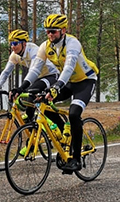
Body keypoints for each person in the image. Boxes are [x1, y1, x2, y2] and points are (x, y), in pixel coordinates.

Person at [16, 14, 98, 173]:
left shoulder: (73, 43)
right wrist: (22, 87)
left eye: (53, 31)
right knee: (42, 102)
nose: (50, 34)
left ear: (63, 30)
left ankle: (76, 158)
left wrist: (57, 87)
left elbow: (69, 67)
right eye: (47, 31)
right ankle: (62, 130)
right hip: (68, 82)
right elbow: (35, 69)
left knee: (74, 114)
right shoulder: (45, 46)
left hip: (85, 81)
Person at [0, 29, 60, 122]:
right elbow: (6, 72)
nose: (13, 46)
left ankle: (60, 125)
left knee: (31, 94)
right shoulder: (14, 55)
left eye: (15, 43)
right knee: (35, 104)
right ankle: (33, 126)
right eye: (11, 43)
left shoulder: (34, 51)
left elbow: (33, 71)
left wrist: (21, 88)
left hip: (51, 75)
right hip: (39, 77)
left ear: (24, 43)